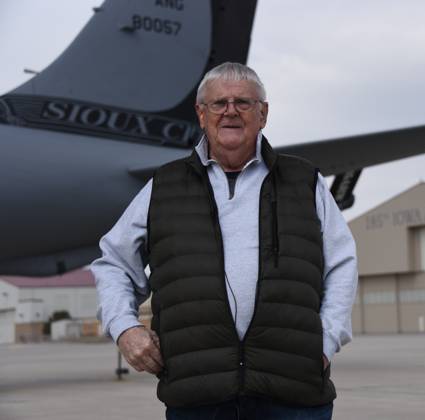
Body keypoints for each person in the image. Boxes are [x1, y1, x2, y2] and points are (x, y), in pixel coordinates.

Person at [91, 62, 358, 419]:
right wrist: (125, 329)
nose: (230, 111)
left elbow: (341, 263)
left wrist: (325, 341)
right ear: (202, 115)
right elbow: (114, 263)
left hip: (293, 391)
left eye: (244, 103)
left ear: (263, 114)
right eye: (219, 103)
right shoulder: (165, 186)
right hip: (198, 395)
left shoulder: (304, 181)